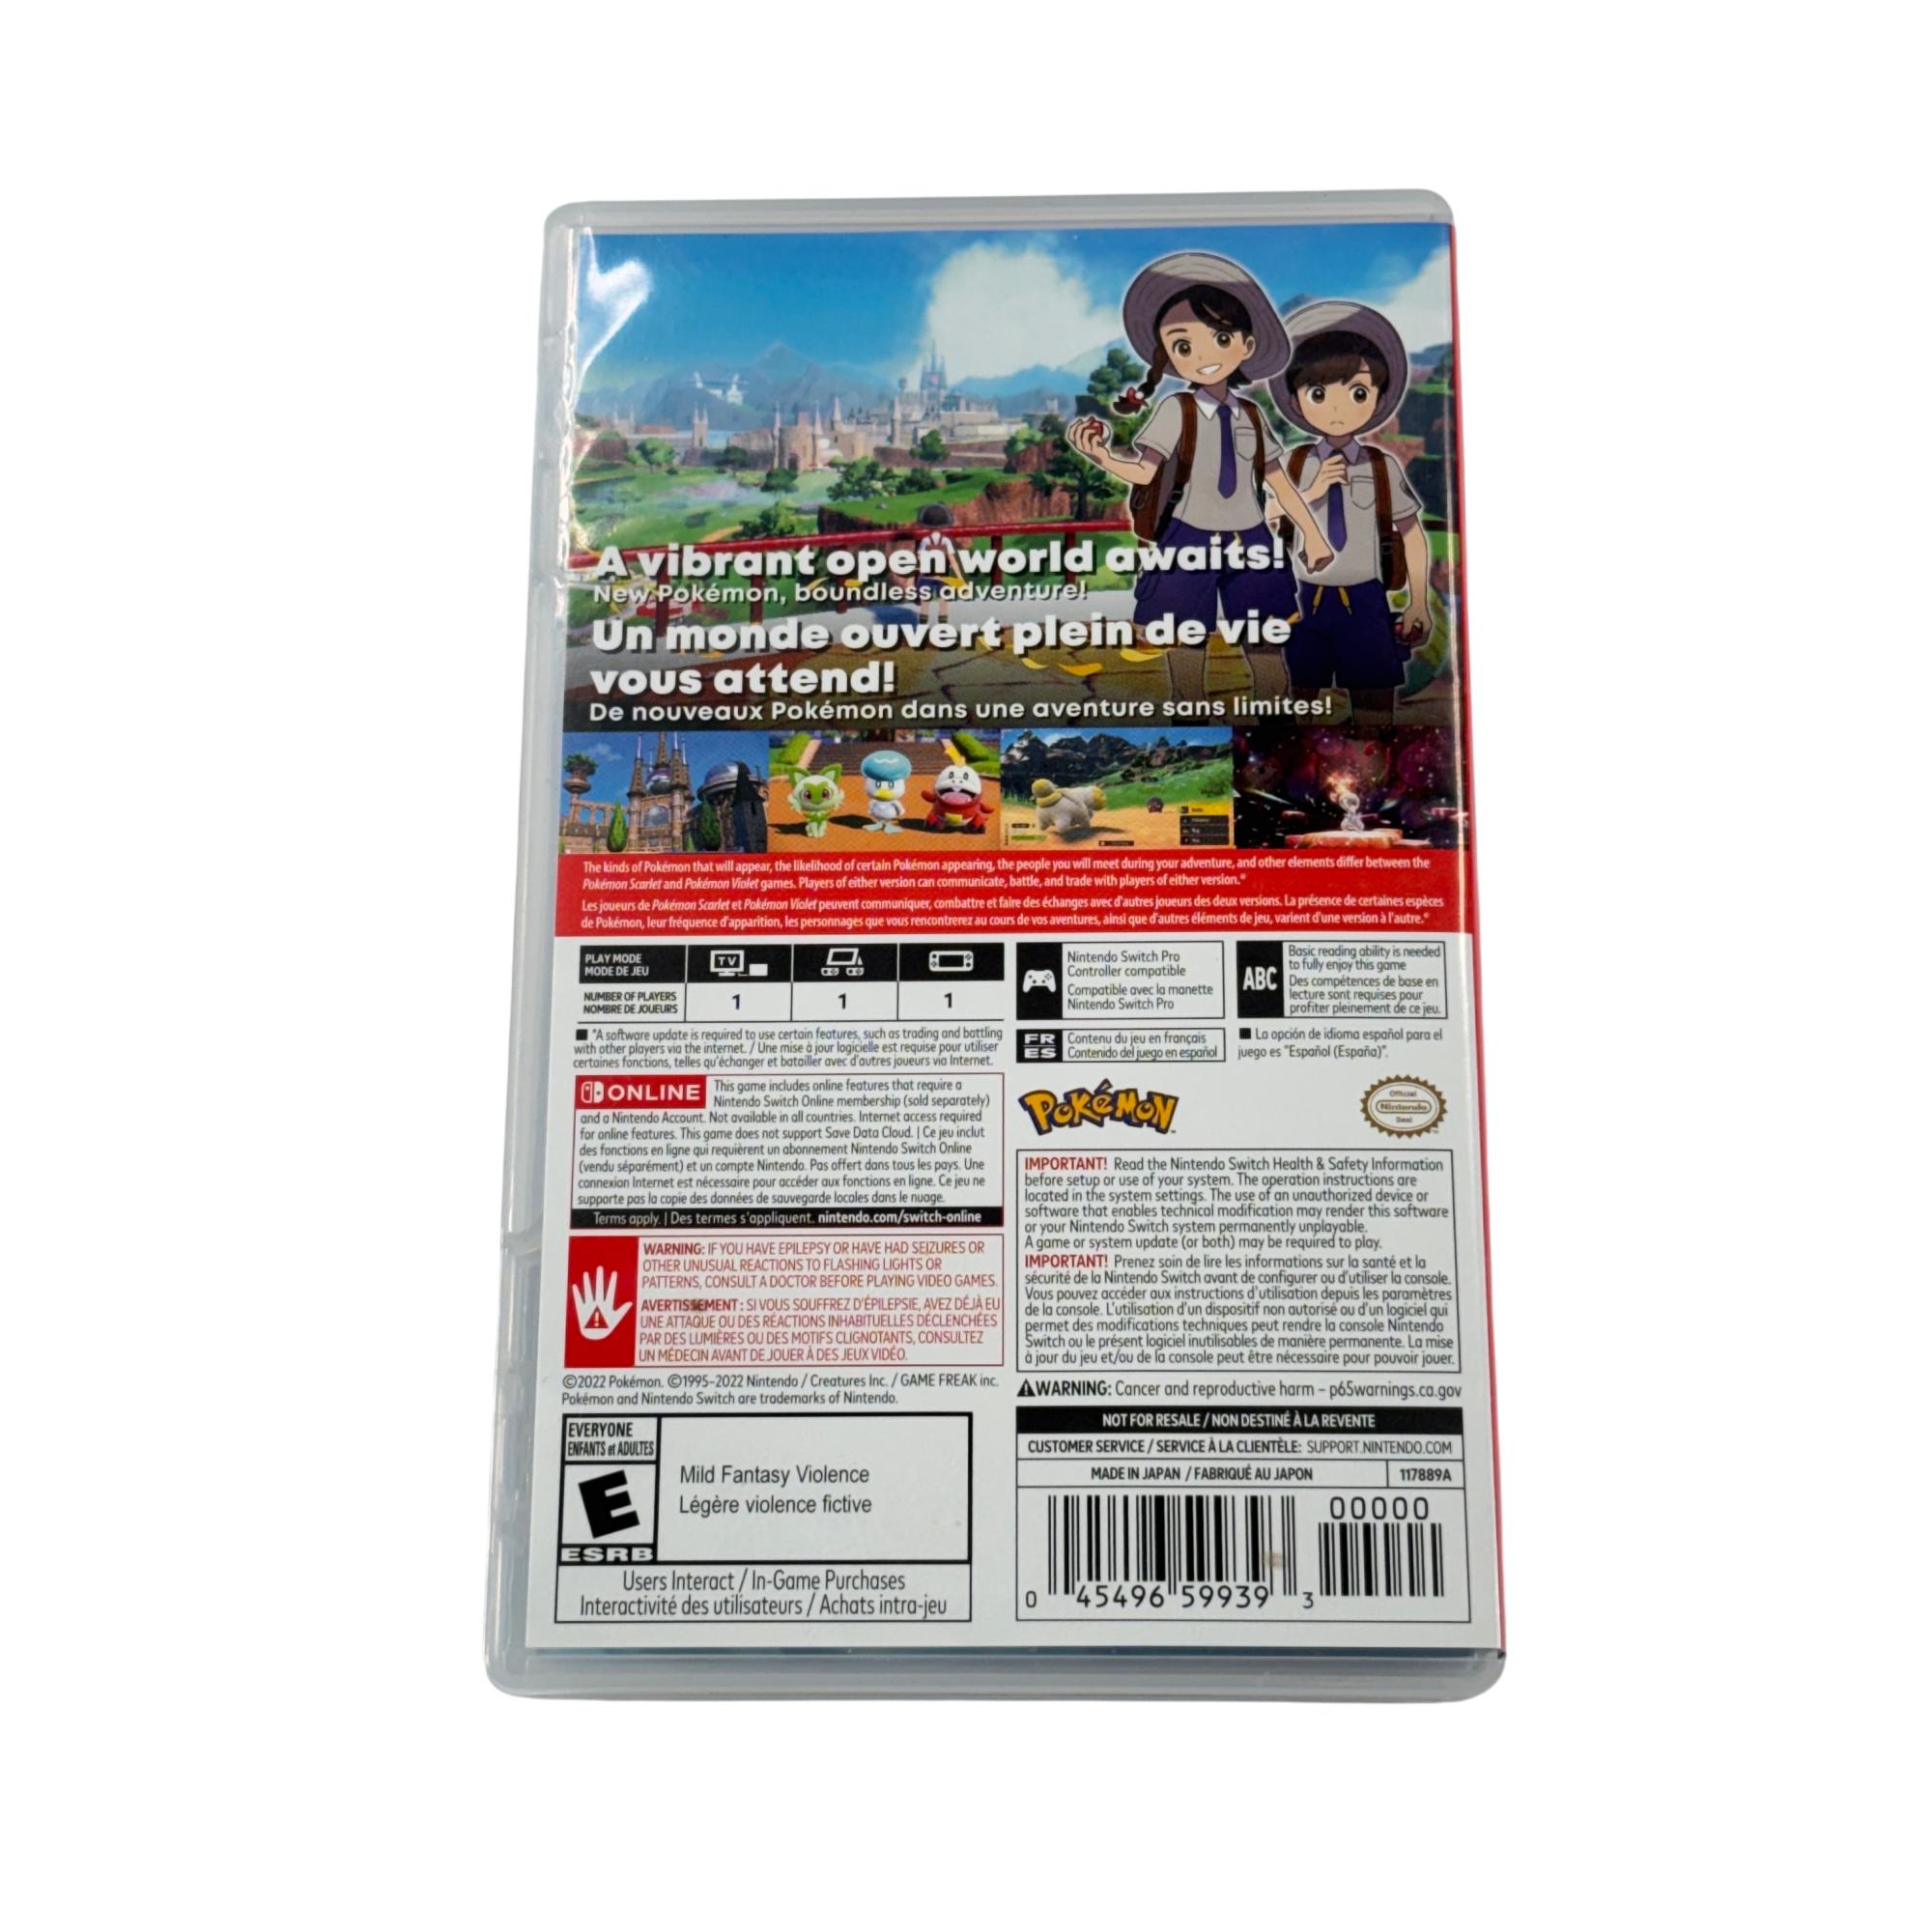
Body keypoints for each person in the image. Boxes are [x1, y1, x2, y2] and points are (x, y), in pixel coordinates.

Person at [1065, 251, 1333, 699]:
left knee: (1265, 645)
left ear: (1246, 346)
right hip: (1189, 537)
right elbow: (1144, 471)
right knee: (1185, 646)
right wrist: (1102, 456)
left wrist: (1315, 537)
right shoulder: (1176, 409)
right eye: (1183, 346)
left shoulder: (1252, 416)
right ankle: (1191, 716)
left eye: (1221, 338)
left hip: (1251, 539)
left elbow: (1280, 484)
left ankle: (1274, 722)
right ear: (1169, 356)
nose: (1204, 356)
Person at [1269, 300, 1434, 732]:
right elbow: (1262, 517)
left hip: (1366, 600)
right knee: (1300, 703)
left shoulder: (1381, 467)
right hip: (1302, 599)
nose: (1337, 409)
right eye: (1319, 394)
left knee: (1375, 701)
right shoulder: (1293, 463)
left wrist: (1417, 600)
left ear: (1377, 399)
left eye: (1357, 393)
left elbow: (1411, 533)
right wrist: (1311, 492)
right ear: (1296, 400)